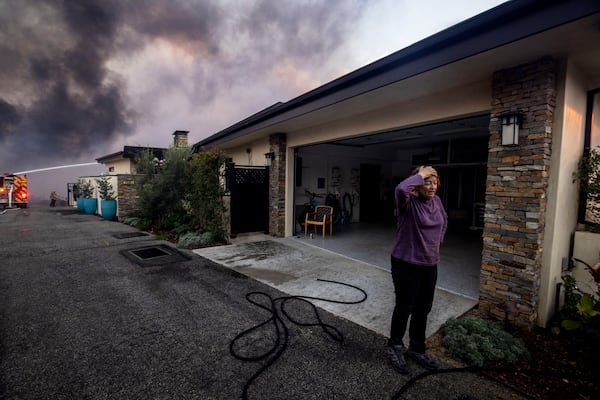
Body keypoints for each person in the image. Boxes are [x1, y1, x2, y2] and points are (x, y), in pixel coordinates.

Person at [386, 165, 447, 374]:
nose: (432, 186)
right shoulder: (408, 202)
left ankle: (416, 348)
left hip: (430, 264)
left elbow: (443, 221)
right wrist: (420, 174)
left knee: (423, 307)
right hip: (405, 262)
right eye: (427, 182)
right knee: (405, 306)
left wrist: (436, 243)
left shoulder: (437, 201)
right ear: (417, 184)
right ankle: (394, 346)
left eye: (435, 182)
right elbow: (400, 189)